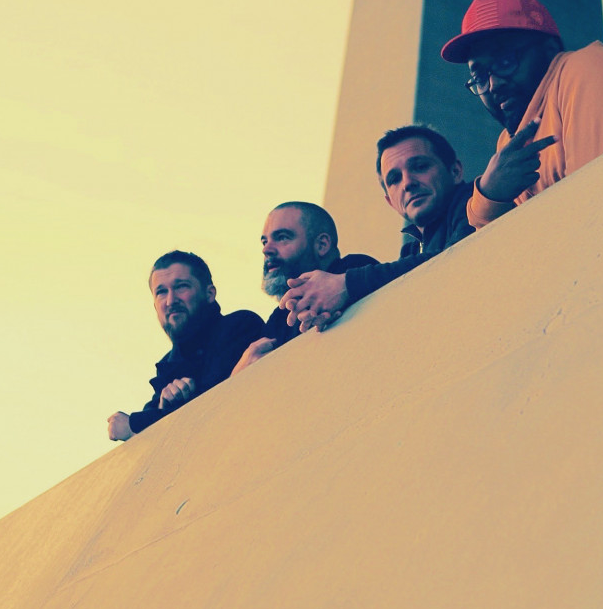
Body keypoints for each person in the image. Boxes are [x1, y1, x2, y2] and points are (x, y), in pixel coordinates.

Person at [440, 0, 603, 228]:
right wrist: (489, 197)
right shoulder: (509, 142)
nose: (493, 85)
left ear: (549, 50)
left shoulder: (588, 71)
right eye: (479, 76)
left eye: (505, 61)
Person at [281, 125, 474, 332]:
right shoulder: (410, 251)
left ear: (455, 171)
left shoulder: (476, 200)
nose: (407, 183)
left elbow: (459, 256)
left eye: (420, 167)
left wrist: (345, 284)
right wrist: (337, 312)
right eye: (394, 179)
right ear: (390, 201)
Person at [108, 251, 264, 441]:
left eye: (181, 287)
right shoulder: (168, 365)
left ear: (209, 293)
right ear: (155, 306)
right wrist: (161, 408)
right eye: (161, 292)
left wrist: (134, 424)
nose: (171, 300)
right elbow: (153, 436)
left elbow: (215, 399)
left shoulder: (240, 325)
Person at [233, 202, 378, 372]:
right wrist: (239, 374)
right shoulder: (279, 318)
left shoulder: (355, 269)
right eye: (265, 241)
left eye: (282, 237)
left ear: (322, 245)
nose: (266, 250)